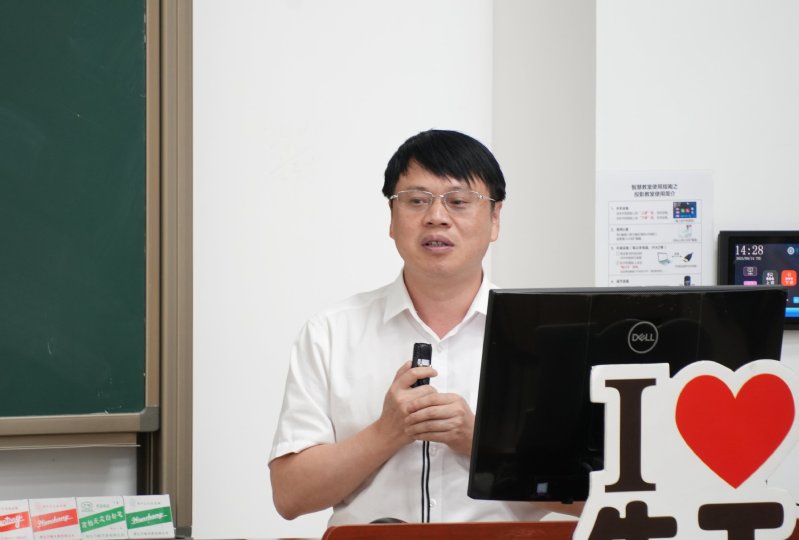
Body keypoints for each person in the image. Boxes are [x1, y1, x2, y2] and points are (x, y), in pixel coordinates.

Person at [269, 129, 575, 525]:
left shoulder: (545, 337)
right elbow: (290, 496)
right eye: (416, 200)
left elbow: (599, 497)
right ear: (392, 218)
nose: (436, 217)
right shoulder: (330, 333)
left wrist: (482, 445)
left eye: (459, 201)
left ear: (495, 219)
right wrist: (387, 432)